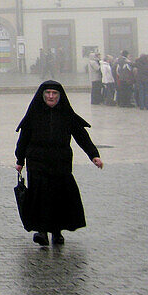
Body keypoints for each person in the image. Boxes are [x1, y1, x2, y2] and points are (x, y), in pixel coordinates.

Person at [15, 80, 104, 246]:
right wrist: (20, 160)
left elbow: (81, 136)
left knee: (59, 197)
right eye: (47, 93)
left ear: (59, 96)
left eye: (54, 93)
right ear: (42, 95)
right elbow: (23, 139)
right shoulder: (34, 113)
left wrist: (94, 155)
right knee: (40, 197)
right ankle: (41, 231)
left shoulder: (66, 114)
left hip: (60, 162)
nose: (50, 96)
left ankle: (57, 231)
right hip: (37, 162)